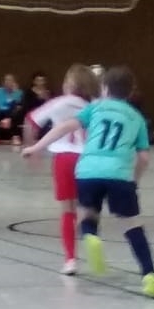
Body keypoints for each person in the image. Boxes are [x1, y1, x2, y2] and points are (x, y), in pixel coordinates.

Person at [26, 64, 154, 299]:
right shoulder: (137, 118)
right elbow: (144, 158)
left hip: (88, 171)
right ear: (131, 92)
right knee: (132, 226)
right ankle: (149, 275)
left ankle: (90, 235)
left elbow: (65, 126)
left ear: (104, 88)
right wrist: (134, 180)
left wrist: (36, 147)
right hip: (119, 174)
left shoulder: (95, 108)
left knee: (87, 212)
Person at [25, 63, 101, 275]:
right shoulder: (97, 105)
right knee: (88, 208)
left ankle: (70, 260)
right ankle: (91, 237)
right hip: (89, 159)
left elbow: (31, 121)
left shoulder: (59, 102)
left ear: (70, 84)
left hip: (65, 158)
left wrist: (32, 147)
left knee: (67, 209)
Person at [0, 73, 24, 147]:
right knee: (8, 109)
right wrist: (12, 99)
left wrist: (15, 93)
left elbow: (19, 105)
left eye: (11, 80)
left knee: (17, 109)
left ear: (15, 82)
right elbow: (0, 106)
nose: (9, 82)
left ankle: (15, 136)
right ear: (3, 82)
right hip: (1, 113)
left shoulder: (19, 92)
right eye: (7, 80)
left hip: (13, 114)